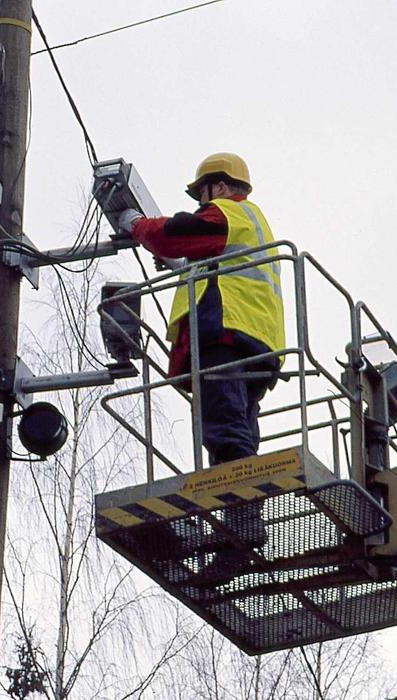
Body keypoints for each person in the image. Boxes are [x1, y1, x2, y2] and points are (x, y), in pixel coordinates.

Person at [118, 152, 285, 552]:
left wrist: (136, 225)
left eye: (203, 194)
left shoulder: (227, 214)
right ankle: (238, 525)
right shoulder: (249, 228)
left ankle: (243, 519)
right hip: (254, 343)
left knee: (225, 430)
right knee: (236, 429)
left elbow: (174, 232)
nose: (201, 203)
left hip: (224, 339)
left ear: (222, 187)